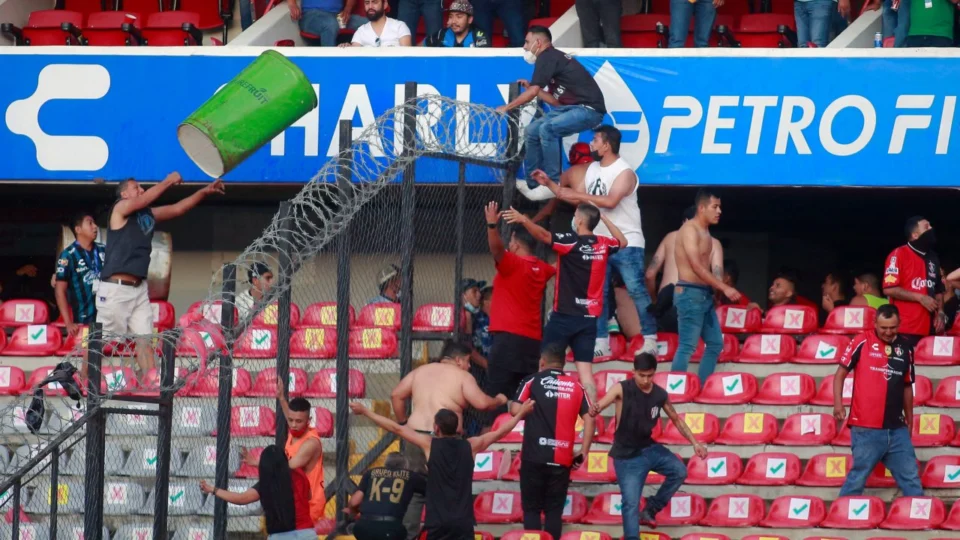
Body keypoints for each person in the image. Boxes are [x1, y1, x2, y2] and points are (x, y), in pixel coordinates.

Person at [528, 126, 656, 359]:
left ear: (606, 145)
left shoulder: (625, 171)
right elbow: (567, 195)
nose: (591, 144)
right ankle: (601, 341)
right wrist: (549, 184)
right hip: (599, 242)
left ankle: (650, 339)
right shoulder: (592, 169)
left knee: (636, 289)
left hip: (627, 240)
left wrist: (578, 195)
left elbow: (610, 201)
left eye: (595, 140)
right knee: (600, 292)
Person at [350, 399, 536, 540]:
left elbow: (396, 428)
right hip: (463, 522)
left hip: (437, 521)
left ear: (436, 427)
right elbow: (500, 432)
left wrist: (366, 411)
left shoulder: (429, 445)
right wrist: (521, 413)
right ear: (457, 428)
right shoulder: (471, 445)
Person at [97, 174, 225, 378]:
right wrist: (168, 181)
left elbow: (177, 209)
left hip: (139, 289)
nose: (141, 190)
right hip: (116, 288)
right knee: (100, 342)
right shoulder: (120, 208)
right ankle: (82, 381)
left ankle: (150, 384)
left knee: (145, 340)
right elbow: (144, 200)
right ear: (124, 194)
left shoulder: (146, 215)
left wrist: (203, 192)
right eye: (136, 187)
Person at [503, 203, 626, 404]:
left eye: (575, 215)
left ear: (580, 220)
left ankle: (537, 411)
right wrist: (603, 219)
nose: (573, 218)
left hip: (564, 316)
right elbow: (623, 241)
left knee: (544, 365)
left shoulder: (571, 241)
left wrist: (524, 220)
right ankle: (590, 417)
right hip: (588, 319)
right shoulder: (603, 243)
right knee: (586, 373)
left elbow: (543, 235)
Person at [390, 340, 508, 538]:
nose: (469, 367)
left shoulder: (420, 371)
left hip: (416, 437)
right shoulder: (462, 376)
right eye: (468, 361)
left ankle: (409, 536)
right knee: (450, 490)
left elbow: (396, 395)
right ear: (458, 360)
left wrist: (404, 423)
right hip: (445, 442)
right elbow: (482, 403)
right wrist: (499, 400)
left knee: (415, 491)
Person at [590, 352, 707, 536]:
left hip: (649, 448)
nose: (645, 380)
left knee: (679, 471)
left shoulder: (659, 394)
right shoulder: (622, 388)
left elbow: (676, 419)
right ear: (633, 372)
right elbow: (602, 403)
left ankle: (651, 509)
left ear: (654, 373)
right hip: (626, 456)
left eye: (649, 376)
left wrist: (695, 443)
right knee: (630, 504)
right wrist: (595, 408)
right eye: (641, 375)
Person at [495, 26, 606, 192]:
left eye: (527, 42)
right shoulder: (552, 58)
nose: (524, 47)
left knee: (547, 129)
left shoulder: (547, 56)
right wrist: (534, 89)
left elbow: (533, 92)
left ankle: (553, 183)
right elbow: (555, 102)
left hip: (589, 110)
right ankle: (533, 183)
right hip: (570, 109)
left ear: (538, 43)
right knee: (532, 130)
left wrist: (507, 107)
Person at [834, 304, 923, 497]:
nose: (888, 332)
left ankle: (918, 513)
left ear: (899, 324)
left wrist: (910, 419)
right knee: (857, 478)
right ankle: (841, 512)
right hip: (866, 427)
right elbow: (840, 374)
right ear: (875, 323)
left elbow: (907, 385)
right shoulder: (861, 341)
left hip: (897, 428)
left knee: (911, 478)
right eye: (884, 327)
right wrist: (838, 404)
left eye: (893, 327)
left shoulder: (906, 347)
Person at [510, 343, 593, 539]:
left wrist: (526, 409)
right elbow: (590, 418)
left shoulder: (532, 381)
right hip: (562, 459)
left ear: (542, 361)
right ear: (563, 364)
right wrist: (584, 451)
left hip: (533, 457)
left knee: (531, 510)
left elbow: (514, 410)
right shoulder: (577, 386)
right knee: (554, 513)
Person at [482, 202, 555, 421]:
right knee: (524, 401)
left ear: (514, 243)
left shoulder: (513, 263)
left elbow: (496, 249)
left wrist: (492, 226)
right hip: (532, 344)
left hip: (507, 341)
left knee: (495, 401)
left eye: (511, 241)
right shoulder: (542, 269)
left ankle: (491, 439)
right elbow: (562, 260)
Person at [672, 189, 741, 381]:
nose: (719, 211)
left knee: (715, 344)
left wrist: (715, 292)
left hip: (703, 294)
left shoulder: (706, 232)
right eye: (715, 207)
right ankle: (675, 392)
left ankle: (702, 387)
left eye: (720, 207)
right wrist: (724, 287)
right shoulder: (689, 229)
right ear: (702, 208)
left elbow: (709, 268)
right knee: (687, 346)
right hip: (689, 293)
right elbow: (696, 266)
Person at [243, 380, 326, 522]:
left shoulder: (310, 444)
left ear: (309, 420)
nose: (293, 425)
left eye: (298, 421)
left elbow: (287, 467)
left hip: (309, 505)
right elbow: (291, 415)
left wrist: (256, 463)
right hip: (295, 500)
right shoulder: (295, 429)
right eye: (290, 420)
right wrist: (281, 398)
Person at [200, 445, 317, 539]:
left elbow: (241, 499)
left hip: (281, 535)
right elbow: (309, 495)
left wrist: (213, 489)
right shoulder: (300, 474)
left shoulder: (267, 484)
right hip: (307, 534)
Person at [646, 206, 724, 334]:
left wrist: (654, 301)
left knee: (666, 344)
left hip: (666, 307)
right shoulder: (714, 243)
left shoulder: (670, 237)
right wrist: (716, 300)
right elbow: (718, 281)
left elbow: (650, 274)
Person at [54, 213, 106, 379]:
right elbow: (60, 290)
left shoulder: (104, 250)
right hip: (84, 317)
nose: (95, 226)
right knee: (91, 353)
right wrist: (68, 322)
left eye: (95, 223)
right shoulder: (67, 255)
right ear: (78, 229)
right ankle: (85, 383)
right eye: (90, 223)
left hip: (107, 312)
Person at [883, 216, 945, 349]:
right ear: (915, 235)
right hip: (905, 329)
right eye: (927, 227)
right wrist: (920, 297)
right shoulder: (898, 254)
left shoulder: (933, 257)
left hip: (931, 328)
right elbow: (889, 288)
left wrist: (940, 312)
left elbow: (939, 289)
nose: (931, 229)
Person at [346, 453, 426, 540]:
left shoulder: (371, 473)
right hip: (390, 528)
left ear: (385, 463)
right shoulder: (411, 476)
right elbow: (431, 491)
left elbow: (354, 502)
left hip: (363, 527)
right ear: (405, 466)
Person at [286, 0, 367, 46]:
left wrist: (347, 9)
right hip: (311, 15)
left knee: (366, 23)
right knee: (330, 24)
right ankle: (329, 64)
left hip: (336, 15)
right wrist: (292, 4)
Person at [342, 0, 412, 47]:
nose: (370, 6)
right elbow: (354, 58)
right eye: (367, 3)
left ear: (385, 4)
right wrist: (346, 48)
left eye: (374, 2)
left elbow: (407, 60)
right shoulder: (360, 31)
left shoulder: (400, 27)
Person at [423, 1, 490, 46]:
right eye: (451, 16)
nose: (454, 21)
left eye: (459, 17)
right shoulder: (441, 34)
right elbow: (420, 49)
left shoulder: (479, 36)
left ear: (470, 20)